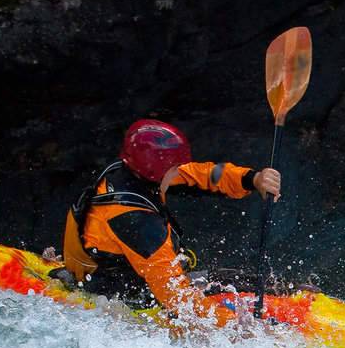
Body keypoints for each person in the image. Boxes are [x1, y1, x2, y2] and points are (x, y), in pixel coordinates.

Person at [58, 119, 280, 325]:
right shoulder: (137, 224)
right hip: (123, 298)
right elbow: (178, 299)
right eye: (175, 167)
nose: (180, 170)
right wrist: (237, 327)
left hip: (128, 275)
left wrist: (253, 179)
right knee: (227, 282)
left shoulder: (132, 170)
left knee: (240, 279)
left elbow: (202, 174)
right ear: (159, 171)